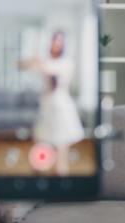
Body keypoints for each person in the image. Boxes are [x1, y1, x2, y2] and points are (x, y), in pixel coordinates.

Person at [19, 29, 85, 176]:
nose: (56, 43)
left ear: (63, 44)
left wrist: (38, 61)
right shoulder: (47, 60)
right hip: (47, 108)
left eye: (59, 40)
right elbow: (23, 65)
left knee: (61, 157)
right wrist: (34, 60)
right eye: (54, 40)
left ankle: (61, 189)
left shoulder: (66, 62)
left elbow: (47, 68)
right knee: (39, 154)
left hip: (62, 109)